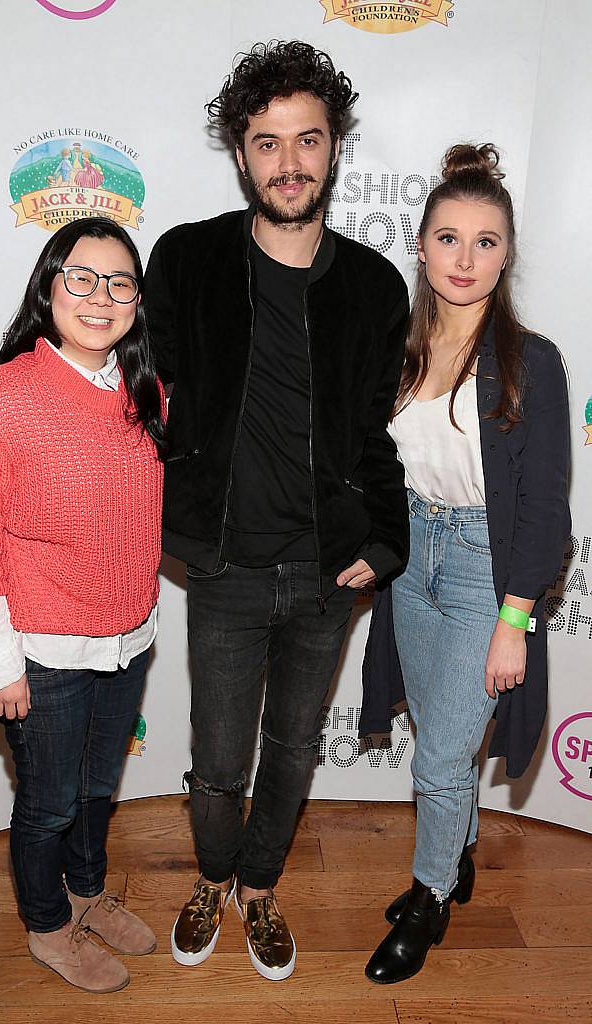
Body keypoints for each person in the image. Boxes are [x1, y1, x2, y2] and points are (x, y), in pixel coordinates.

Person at [144, 40, 409, 981]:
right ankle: (214, 874)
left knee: (293, 749)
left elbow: (375, 435)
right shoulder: (186, 259)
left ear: (334, 148)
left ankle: (260, 889)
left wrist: (384, 539)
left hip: (329, 573)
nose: (288, 161)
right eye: (267, 142)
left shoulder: (376, 286)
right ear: (241, 152)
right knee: (218, 761)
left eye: (308, 139)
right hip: (223, 566)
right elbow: (146, 402)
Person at [360, 144, 571, 985]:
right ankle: (462, 854)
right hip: (413, 553)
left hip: (488, 563)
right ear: (420, 245)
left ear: (508, 253)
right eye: (449, 237)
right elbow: (374, 467)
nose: (465, 258)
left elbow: (547, 508)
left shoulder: (532, 361)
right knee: (438, 728)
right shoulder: (397, 348)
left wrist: (515, 619)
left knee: (442, 757)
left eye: (486, 241)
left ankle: (429, 897)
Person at [0, 216, 166, 993]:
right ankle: (47, 925)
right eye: (81, 277)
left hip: (128, 641)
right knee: (47, 806)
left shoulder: (147, 391)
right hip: (41, 651)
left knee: (98, 791)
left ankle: (85, 893)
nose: (100, 297)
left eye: (120, 282)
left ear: (137, 299)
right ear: (48, 286)